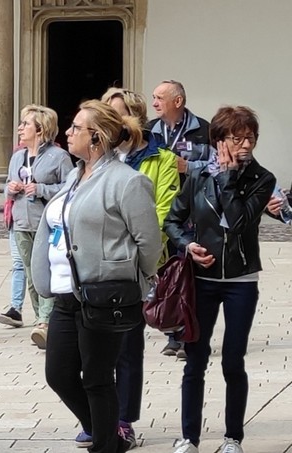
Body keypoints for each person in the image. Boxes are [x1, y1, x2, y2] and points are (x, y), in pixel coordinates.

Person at [31, 100, 161, 453]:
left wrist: (131, 278)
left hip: (104, 294)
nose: (68, 132)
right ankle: (106, 433)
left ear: (97, 137)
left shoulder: (128, 182)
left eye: (76, 127)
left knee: (97, 378)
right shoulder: (74, 176)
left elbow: (149, 242)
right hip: (65, 294)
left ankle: (105, 443)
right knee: (58, 374)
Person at [164, 106, 275, 453]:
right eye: (237, 138)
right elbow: (172, 220)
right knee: (195, 359)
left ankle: (232, 437)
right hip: (203, 278)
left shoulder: (262, 179)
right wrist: (188, 244)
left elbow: (239, 222)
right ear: (219, 141)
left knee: (232, 361)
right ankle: (189, 437)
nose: (246, 145)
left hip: (241, 278)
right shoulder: (199, 175)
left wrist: (228, 177)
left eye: (250, 138)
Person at [101, 87, 181, 449]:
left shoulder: (162, 159)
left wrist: (135, 250)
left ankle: (123, 420)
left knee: (128, 347)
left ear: (133, 119)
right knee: (96, 349)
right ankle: (97, 416)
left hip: (135, 265)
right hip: (99, 264)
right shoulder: (97, 159)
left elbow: (162, 211)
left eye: (116, 115)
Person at [1, 105, 72, 349]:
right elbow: (7, 184)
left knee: (46, 272)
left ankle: (45, 322)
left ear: (40, 129)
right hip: (21, 222)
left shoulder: (59, 156)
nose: (20, 128)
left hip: (46, 223)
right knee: (31, 275)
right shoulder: (17, 156)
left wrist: (41, 189)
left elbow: (69, 187)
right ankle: (41, 320)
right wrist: (10, 189)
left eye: (26, 124)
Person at [149, 80, 206, 357]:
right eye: (154, 97)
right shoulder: (150, 131)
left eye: (160, 97)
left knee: (188, 275)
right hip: (161, 211)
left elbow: (218, 164)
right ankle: (172, 332)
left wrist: (189, 166)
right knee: (166, 274)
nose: (154, 103)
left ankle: (188, 335)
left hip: (190, 214)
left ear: (178, 101)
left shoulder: (203, 130)